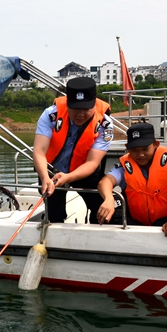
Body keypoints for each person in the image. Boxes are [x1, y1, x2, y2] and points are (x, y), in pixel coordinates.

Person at [33, 77, 113, 223]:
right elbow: (39, 151)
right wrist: (45, 177)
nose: (80, 114)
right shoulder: (51, 115)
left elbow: (92, 162)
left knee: (99, 209)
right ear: (67, 103)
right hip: (51, 170)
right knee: (54, 215)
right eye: (75, 108)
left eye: (86, 109)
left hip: (84, 169)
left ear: (94, 104)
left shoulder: (105, 125)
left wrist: (68, 177)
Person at [96, 122, 167, 238]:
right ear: (127, 148)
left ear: (156, 144)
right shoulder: (124, 168)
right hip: (135, 225)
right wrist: (108, 199)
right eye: (135, 150)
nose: (140, 155)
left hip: (166, 225)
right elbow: (105, 182)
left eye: (145, 149)